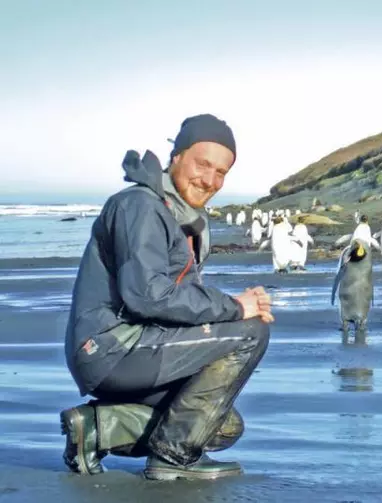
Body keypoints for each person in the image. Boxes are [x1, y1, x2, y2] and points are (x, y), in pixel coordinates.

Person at [61, 114, 274, 481]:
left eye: (221, 172)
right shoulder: (140, 206)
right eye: (203, 164)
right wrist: (237, 308)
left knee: (221, 425)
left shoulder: (179, 216)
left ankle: (96, 428)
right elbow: (148, 295)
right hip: (110, 348)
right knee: (251, 332)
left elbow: (177, 298)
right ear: (176, 157)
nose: (210, 180)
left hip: (138, 347)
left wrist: (233, 308)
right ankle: (172, 459)